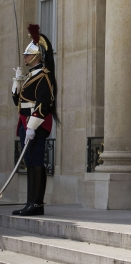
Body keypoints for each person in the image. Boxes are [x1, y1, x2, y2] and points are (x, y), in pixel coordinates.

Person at [11, 24, 59, 217]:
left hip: (36, 124)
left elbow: (43, 103)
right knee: (30, 161)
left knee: (36, 160)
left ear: (38, 56)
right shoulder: (32, 75)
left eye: (28, 55)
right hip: (25, 122)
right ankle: (30, 202)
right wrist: (16, 82)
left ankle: (37, 203)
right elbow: (18, 101)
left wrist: (31, 126)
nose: (25, 57)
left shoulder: (44, 77)